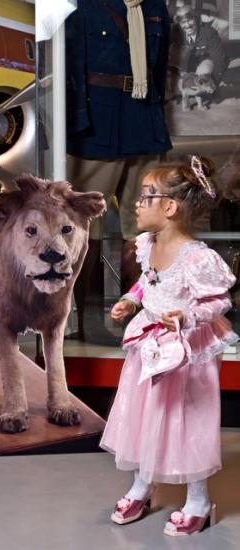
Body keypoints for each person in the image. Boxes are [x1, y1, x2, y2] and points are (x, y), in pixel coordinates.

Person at [100, 156, 238, 535]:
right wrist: (131, 300)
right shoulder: (146, 244)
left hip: (186, 350)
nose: (137, 204)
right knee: (145, 413)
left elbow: (220, 301)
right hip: (150, 343)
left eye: (147, 197)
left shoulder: (197, 258)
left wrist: (188, 317)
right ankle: (143, 486)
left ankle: (198, 500)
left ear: (170, 207)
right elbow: (149, 283)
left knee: (185, 418)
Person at [65, 0, 173, 339]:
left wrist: (156, 118)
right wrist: (77, 125)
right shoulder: (83, 5)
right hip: (99, 128)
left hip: (144, 123)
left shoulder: (155, 5)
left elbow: (160, 64)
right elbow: (71, 66)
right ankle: (87, 325)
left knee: (146, 229)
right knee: (86, 232)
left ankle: (140, 322)